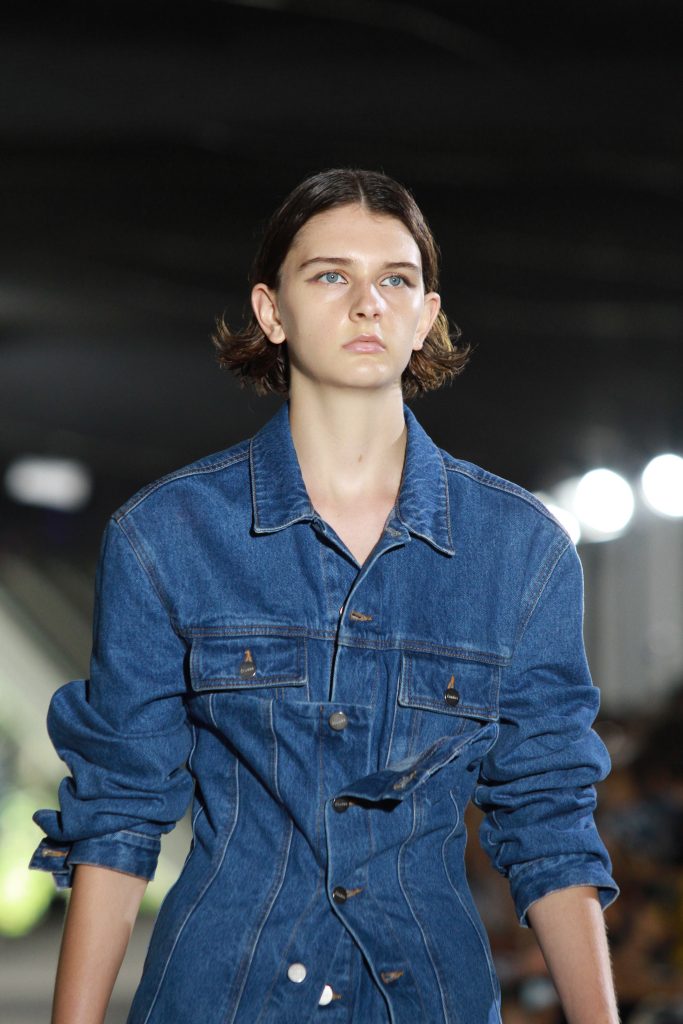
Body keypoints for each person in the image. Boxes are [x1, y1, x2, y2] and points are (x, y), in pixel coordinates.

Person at [30, 168, 620, 1024]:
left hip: (428, 1000)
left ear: (425, 316)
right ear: (271, 310)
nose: (367, 304)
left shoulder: (518, 550)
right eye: (330, 275)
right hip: (224, 997)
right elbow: (119, 812)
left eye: (396, 281)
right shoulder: (168, 536)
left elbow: (547, 818)